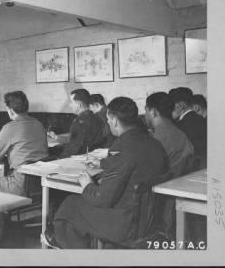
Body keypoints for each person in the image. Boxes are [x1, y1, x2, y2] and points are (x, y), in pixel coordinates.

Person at [45, 97, 168, 248]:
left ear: (115, 120)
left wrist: (88, 185)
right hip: (150, 218)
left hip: (125, 224)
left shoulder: (120, 147)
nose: (108, 123)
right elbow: (133, 162)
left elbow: (102, 199)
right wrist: (104, 163)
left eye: (108, 119)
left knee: (71, 204)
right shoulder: (154, 143)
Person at [0, 91, 49, 196]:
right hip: (41, 183)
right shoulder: (39, 125)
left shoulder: (9, 128)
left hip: (19, 184)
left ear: (10, 110)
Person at [145, 92, 194, 177]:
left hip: (166, 184)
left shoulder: (158, 139)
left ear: (153, 112)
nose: (145, 115)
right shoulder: (180, 133)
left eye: (146, 111)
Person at [48, 89, 105, 159]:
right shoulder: (98, 119)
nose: (70, 105)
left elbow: (74, 149)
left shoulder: (79, 123)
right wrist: (57, 137)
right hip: (91, 157)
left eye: (71, 102)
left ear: (79, 104)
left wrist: (60, 158)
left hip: (74, 159)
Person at [169, 87, 207, 159]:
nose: (169, 109)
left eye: (171, 106)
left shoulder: (180, 126)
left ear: (181, 106)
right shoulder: (203, 119)